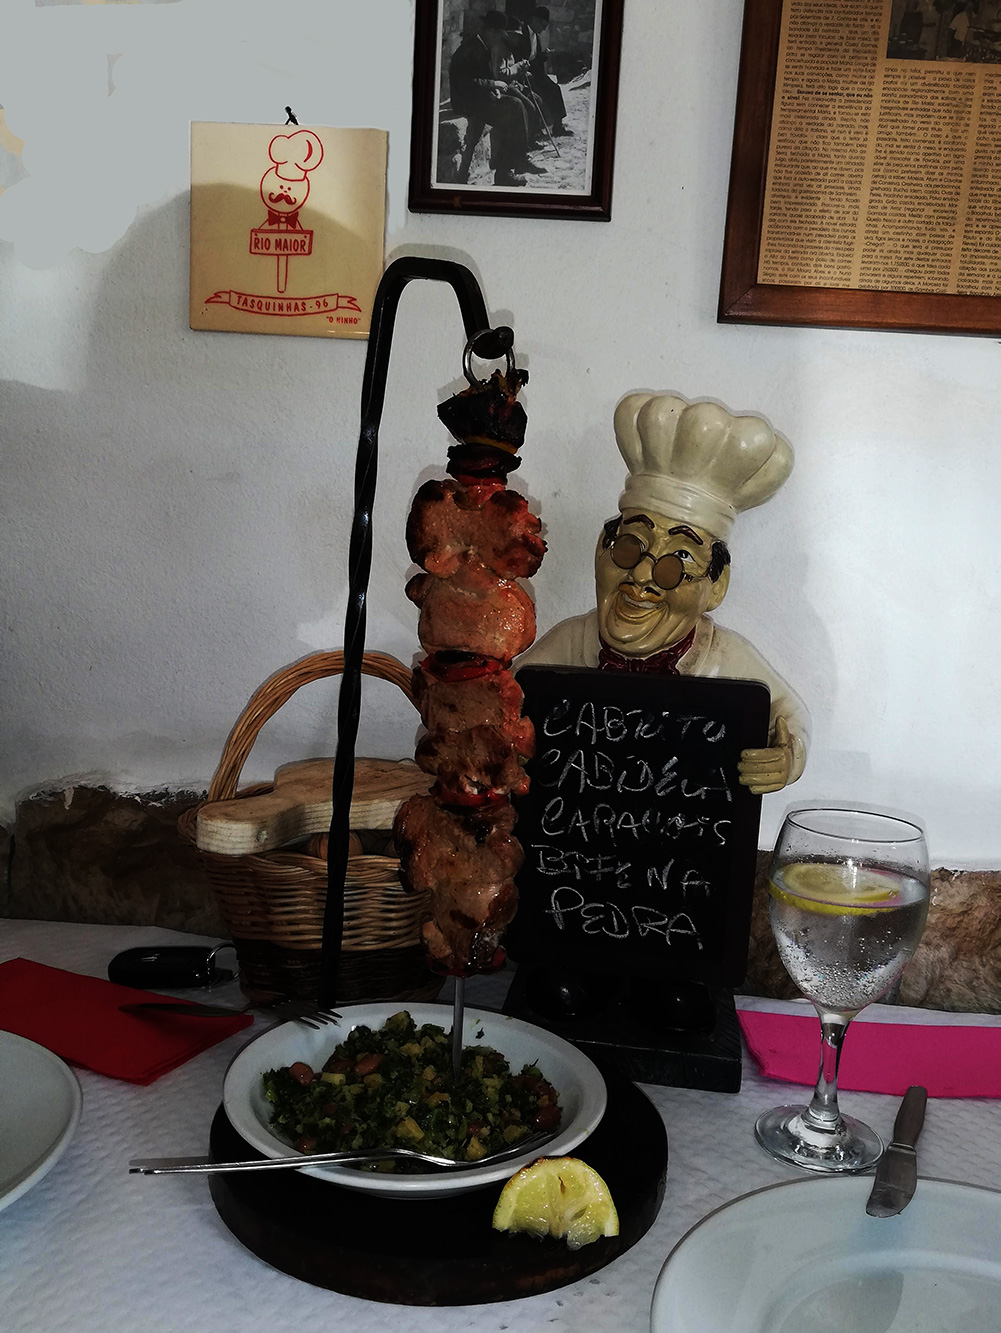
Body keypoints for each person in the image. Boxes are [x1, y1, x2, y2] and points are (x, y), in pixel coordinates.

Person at [516, 392, 810, 794]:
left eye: (679, 560)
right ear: (602, 548)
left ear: (715, 586)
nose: (641, 576)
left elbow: (787, 714)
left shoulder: (724, 658)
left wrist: (787, 755)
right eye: (629, 546)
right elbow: (506, 698)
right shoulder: (572, 642)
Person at [448, 11, 532, 187]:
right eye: (499, 35)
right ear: (490, 32)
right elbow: (466, 83)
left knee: (514, 106)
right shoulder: (471, 49)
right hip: (466, 102)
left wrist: (493, 89)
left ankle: (511, 166)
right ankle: (508, 169)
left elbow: (481, 78)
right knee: (513, 108)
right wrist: (493, 84)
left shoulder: (481, 46)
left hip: (477, 98)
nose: (500, 40)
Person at [527, 7, 571, 136]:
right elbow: (519, 55)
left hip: (536, 73)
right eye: (542, 25)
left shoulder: (537, 37)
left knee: (555, 89)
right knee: (538, 96)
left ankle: (558, 127)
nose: (543, 29)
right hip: (523, 74)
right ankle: (536, 131)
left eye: (545, 26)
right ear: (534, 20)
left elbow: (535, 57)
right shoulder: (523, 33)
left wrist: (546, 55)